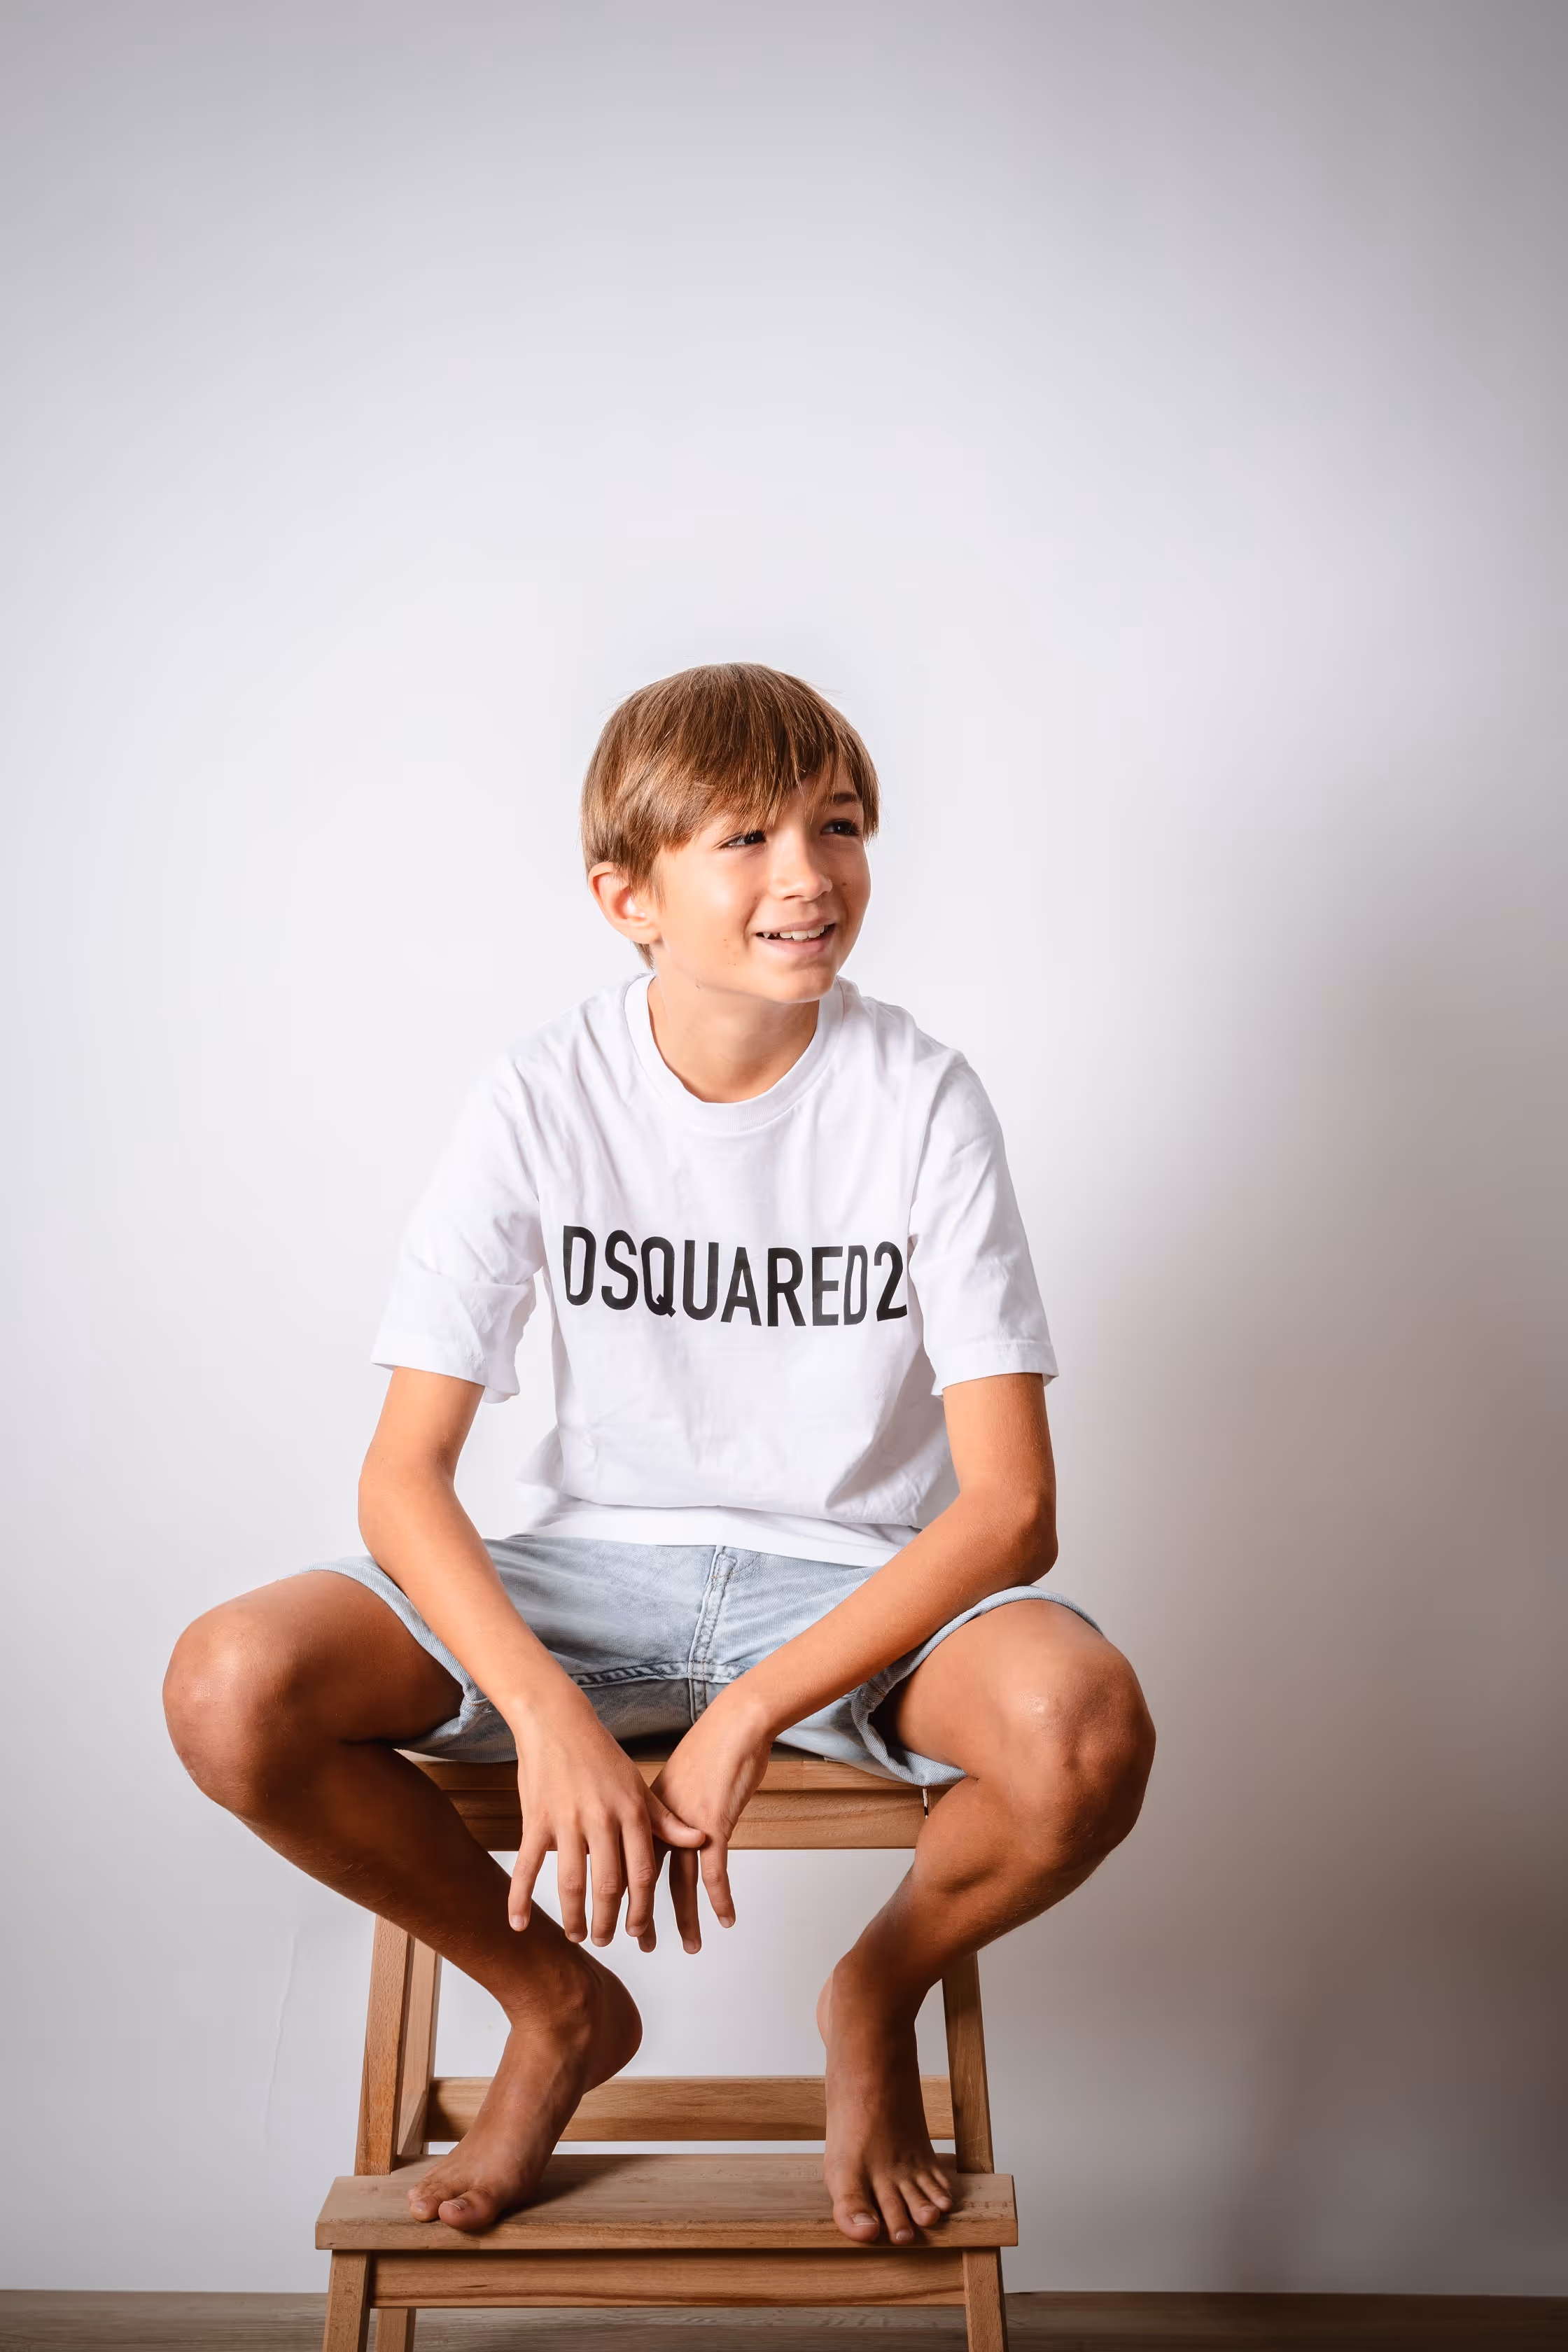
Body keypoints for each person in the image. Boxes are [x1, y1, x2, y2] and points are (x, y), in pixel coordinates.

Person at [164, 662, 1155, 2249]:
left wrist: (751, 1707)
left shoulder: (921, 1097)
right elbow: (402, 1474)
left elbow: (1013, 1508)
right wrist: (544, 1712)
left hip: (844, 1590)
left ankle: (871, 1994)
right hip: (586, 1579)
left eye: (838, 827)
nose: (807, 875)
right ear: (626, 895)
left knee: (1080, 1727)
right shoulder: (540, 1092)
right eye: (746, 838)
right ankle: (554, 2004)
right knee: (230, 1685)